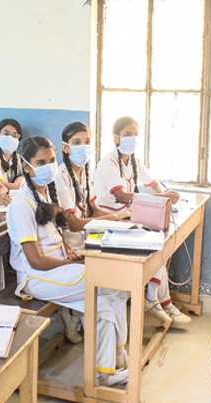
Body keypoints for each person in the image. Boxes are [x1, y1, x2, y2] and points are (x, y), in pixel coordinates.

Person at [6, 136, 129, 385]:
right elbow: (36, 260)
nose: (48, 166)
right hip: (37, 278)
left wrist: (69, 254)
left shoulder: (45, 196)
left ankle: (110, 367)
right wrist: (73, 264)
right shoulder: (23, 204)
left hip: (56, 269)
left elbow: (55, 235)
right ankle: (115, 359)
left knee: (107, 300)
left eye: (51, 161)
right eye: (41, 162)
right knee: (106, 282)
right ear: (26, 165)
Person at [94, 116, 191, 327]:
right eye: (128, 135)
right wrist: (160, 199)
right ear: (116, 138)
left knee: (160, 244)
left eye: (135, 135)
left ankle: (159, 300)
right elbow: (120, 196)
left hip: (125, 218)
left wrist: (168, 195)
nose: (132, 139)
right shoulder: (108, 162)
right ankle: (156, 300)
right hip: (108, 220)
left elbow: (154, 184)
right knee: (154, 244)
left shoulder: (134, 161)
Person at [55, 121, 131, 340]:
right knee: (108, 282)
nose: (84, 147)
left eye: (87, 142)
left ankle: (109, 336)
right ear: (65, 148)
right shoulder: (61, 177)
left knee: (121, 268)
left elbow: (93, 210)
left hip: (86, 236)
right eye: (76, 142)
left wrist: (119, 221)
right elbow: (74, 223)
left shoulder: (85, 173)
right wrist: (115, 217)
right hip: (70, 242)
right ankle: (73, 312)